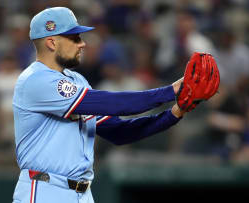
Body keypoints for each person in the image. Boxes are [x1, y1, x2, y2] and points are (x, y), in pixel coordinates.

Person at [12, 7, 192, 203]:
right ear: (52, 42)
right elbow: (113, 103)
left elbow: (119, 132)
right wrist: (171, 91)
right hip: (45, 191)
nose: (82, 44)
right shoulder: (35, 80)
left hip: (82, 193)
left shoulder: (77, 80)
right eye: (74, 38)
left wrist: (174, 113)